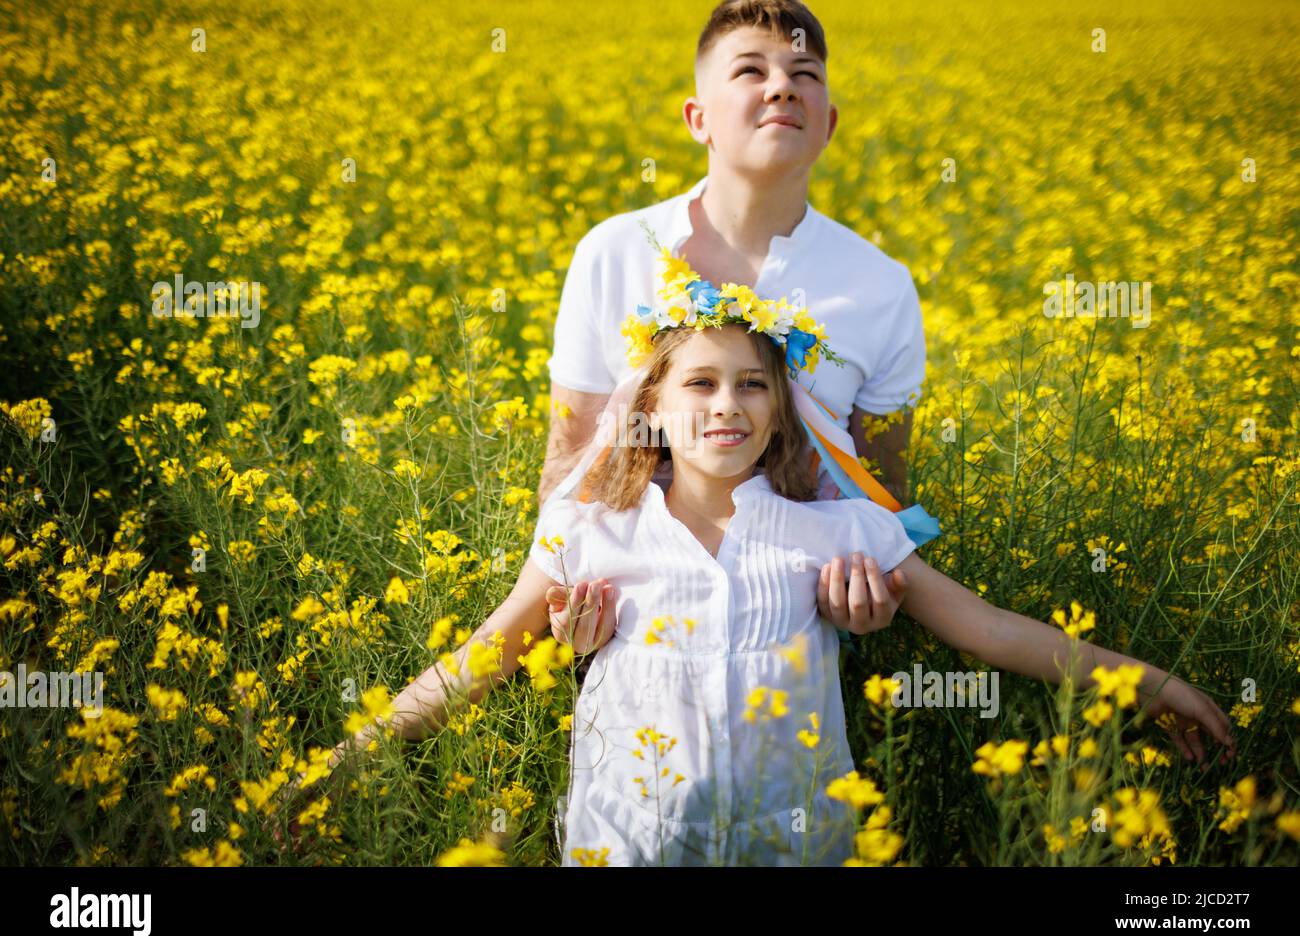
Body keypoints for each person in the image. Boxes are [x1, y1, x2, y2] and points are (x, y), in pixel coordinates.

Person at [298, 289, 1236, 867]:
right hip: (626, 844)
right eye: (700, 383)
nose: (728, 404)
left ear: (782, 412)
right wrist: (345, 758)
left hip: (796, 847)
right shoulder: (590, 529)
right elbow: (486, 653)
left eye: (753, 384)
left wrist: (1154, 685)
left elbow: (986, 629)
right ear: (651, 406)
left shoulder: (840, 532)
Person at [539, 1, 930, 643]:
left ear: (828, 124)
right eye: (751, 70)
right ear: (698, 119)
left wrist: (872, 598)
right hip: (631, 630)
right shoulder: (613, 253)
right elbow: (570, 459)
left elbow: (883, 489)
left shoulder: (881, 287)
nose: (782, 87)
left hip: (793, 636)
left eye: (804, 74)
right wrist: (560, 607)